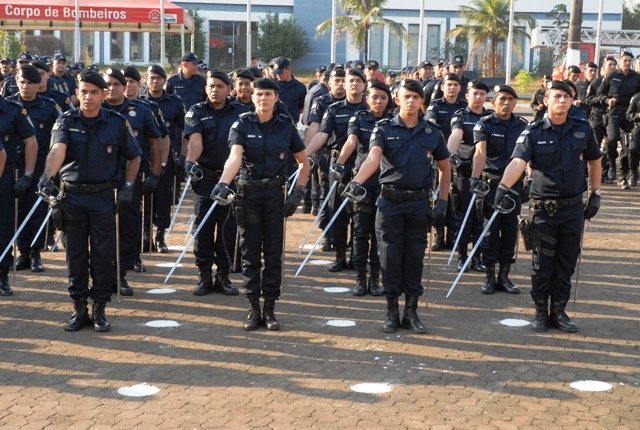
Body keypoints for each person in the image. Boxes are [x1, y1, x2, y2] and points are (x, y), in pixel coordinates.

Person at [344, 79, 450, 334]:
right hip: (390, 202)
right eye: (407, 96)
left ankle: (411, 313)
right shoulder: (383, 129)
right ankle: (391, 312)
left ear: (422, 102)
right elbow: (373, 158)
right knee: (389, 258)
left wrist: (443, 201)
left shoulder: (432, 132)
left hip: (418, 203)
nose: (411, 101)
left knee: (414, 258)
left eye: (416, 97)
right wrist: (357, 181)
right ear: (398, 100)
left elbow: (446, 168)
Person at [39, 70, 142, 331]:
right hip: (71, 197)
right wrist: (47, 176)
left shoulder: (117, 122)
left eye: (94, 92)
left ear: (103, 94)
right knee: (75, 255)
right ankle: (78, 308)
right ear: (77, 93)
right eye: (83, 91)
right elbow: (56, 151)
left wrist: (128, 186)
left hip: (102, 198)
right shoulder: (65, 121)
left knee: (102, 254)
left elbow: (134, 156)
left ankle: (99, 308)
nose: (88, 97)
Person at [498, 80, 601, 332]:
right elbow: (518, 162)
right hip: (544, 209)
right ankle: (541, 312)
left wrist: (596, 193)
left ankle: (559, 311)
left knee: (566, 261)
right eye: (557, 96)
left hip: (573, 208)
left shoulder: (582, 129)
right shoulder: (533, 132)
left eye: (567, 96)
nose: (562, 100)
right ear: (546, 100)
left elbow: (595, 161)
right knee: (542, 263)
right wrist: (503, 188)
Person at [213, 77, 310, 331]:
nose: (263, 98)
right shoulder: (242, 124)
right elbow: (235, 157)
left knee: (274, 253)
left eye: (268, 94)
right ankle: (253, 307)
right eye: (259, 94)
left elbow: (303, 162)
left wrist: (298, 192)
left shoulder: (285, 126)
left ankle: (270, 308)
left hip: (274, 196)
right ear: (252, 97)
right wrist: (224, 183)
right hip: (249, 196)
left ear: (276, 98)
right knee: (250, 252)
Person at [184, 70, 250, 297]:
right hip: (204, 178)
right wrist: (189, 162)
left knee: (227, 228)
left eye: (220, 86)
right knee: (202, 227)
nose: (215, 90)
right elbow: (195, 141)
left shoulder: (242, 113)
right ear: (205, 89)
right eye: (211, 86)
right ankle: (204, 275)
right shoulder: (196, 112)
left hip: (231, 179)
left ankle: (223, 275)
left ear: (229, 89)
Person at [103, 68, 162, 293]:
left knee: (128, 226)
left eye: (118, 84)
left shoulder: (141, 110)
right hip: (100, 178)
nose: (113, 88)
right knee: (103, 229)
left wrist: (156, 174)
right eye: (108, 84)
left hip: (130, 177)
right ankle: (104, 275)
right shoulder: (94, 109)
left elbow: (155, 142)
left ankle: (121, 273)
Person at [334, 80, 394, 296]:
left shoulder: (394, 122)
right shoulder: (359, 118)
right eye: (374, 97)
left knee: (380, 234)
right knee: (360, 232)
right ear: (367, 99)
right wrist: (340, 163)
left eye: (383, 97)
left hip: (385, 184)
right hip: (361, 184)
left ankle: (375, 279)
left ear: (389, 101)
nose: (378, 101)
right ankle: (360, 278)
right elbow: (351, 142)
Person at [306, 68, 368, 272]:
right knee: (337, 212)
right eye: (351, 81)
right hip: (338, 166)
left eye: (359, 81)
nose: (353, 84)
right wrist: (304, 155)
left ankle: (359, 257)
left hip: (363, 167)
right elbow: (322, 135)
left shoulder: (371, 108)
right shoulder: (333, 109)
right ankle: (340, 256)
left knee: (361, 214)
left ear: (364, 85)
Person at [471, 85, 529, 295]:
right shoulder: (484, 124)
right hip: (491, 183)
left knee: (510, 231)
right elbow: (480, 153)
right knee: (490, 230)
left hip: (514, 184)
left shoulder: (523, 126)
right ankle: (489, 276)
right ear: (493, 102)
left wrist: (529, 179)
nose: (506, 103)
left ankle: (504, 276)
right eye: (502, 99)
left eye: (511, 99)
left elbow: (528, 155)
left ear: (515, 103)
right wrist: (474, 179)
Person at [8, 65, 62, 273]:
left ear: (39, 83)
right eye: (22, 82)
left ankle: (35, 253)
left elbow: (61, 133)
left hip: (41, 164)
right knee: (18, 210)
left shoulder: (49, 106)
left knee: (37, 209)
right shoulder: (10, 105)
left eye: (30, 82)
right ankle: (22, 252)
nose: (26, 86)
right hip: (15, 165)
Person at [447, 80, 493, 272]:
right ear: (467, 96)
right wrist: (445, 154)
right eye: (475, 93)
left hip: (485, 174)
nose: (478, 97)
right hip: (465, 173)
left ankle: (477, 256)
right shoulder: (460, 116)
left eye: (482, 94)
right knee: (464, 215)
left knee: (481, 217)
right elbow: (456, 135)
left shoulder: (491, 117)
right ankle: (462, 256)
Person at [0, 76, 38, 296]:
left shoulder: (13, 110)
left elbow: (30, 142)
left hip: (4, 177)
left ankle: (3, 274)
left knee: (4, 226)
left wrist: (27, 175)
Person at [146, 64, 187, 250]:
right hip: (144, 157)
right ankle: (146, 236)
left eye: (158, 78)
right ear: (146, 80)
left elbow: (186, 130)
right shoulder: (139, 102)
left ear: (164, 81)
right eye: (151, 77)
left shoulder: (175, 103)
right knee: (145, 199)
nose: (155, 81)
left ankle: (160, 236)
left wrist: (183, 156)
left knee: (163, 197)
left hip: (166, 157)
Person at [426, 73, 468, 251]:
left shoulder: (465, 107)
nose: (452, 88)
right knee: (439, 196)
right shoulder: (435, 105)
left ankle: (453, 234)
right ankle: (438, 235)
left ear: (460, 88)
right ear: (442, 87)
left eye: (455, 85)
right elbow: (430, 123)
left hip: (459, 160)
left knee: (456, 198)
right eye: (448, 84)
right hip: (440, 158)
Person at [596, 50, 640, 189]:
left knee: (629, 146)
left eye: (629, 61)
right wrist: (608, 100)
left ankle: (627, 173)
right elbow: (600, 93)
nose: (627, 63)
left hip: (629, 114)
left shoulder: (636, 77)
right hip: (613, 113)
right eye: (625, 60)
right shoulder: (611, 75)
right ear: (620, 61)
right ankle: (611, 166)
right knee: (612, 138)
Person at [584, 58, 616, 184]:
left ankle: (605, 172)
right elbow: (588, 99)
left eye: (614, 65)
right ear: (604, 67)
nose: (612, 67)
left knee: (610, 144)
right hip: (597, 117)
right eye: (610, 65)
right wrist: (602, 99)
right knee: (594, 145)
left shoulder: (618, 82)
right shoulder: (597, 82)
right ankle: (589, 173)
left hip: (612, 117)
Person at [271, 56, 306, 123]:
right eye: (276, 72)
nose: (278, 75)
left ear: (288, 69)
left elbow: (302, 109)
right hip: (274, 123)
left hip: (292, 124)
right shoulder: (271, 85)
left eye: (280, 72)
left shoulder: (300, 87)